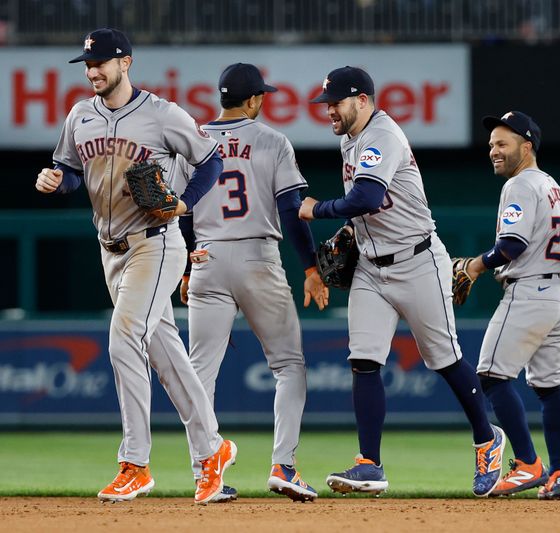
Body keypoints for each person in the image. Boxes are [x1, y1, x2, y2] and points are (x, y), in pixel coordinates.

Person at [34, 28, 236, 505]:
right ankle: (212, 451)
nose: (92, 71)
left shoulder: (162, 115)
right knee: (166, 355)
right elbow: (70, 173)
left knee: (124, 336)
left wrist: (184, 205)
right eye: (87, 64)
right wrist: (55, 180)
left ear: (126, 62)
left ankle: (135, 463)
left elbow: (210, 161)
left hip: (156, 243)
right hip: (110, 249)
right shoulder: (80, 115)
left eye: (102, 62)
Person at [300, 66, 506, 497]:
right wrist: (353, 230)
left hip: (417, 261)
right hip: (372, 268)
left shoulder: (382, 136)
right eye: (327, 105)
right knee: (364, 360)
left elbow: (368, 197)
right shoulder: (349, 139)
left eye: (335, 103)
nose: (329, 112)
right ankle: (370, 464)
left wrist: (317, 210)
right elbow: (367, 210)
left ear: (361, 100)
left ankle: (487, 440)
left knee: (445, 359)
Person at [173, 63, 328, 503]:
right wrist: (311, 268)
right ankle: (284, 466)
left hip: (206, 257)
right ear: (255, 99)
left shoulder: (193, 141)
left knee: (199, 372)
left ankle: (207, 475)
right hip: (258, 256)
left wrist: (186, 266)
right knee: (288, 366)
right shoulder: (272, 140)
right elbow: (291, 210)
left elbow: (181, 211)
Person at [455, 111, 560, 499]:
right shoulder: (556, 188)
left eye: (503, 144)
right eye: (491, 145)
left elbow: (512, 246)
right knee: (550, 387)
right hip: (559, 295)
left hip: (530, 290)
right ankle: (558, 474)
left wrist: (475, 266)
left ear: (527, 145)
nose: (494, 152)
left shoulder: (520, 186)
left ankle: (527, 464)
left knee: (490, 376)